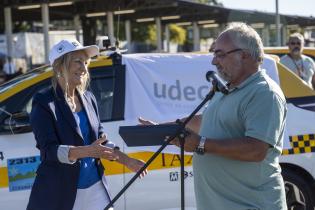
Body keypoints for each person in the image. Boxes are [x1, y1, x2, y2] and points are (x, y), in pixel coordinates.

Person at [140, 22, 287, 210]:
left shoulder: (264, 93)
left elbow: (256, 149)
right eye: (214, 54)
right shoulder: (225, 87)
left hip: (251, 205)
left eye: (220, 54)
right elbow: (206, 122)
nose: (214, 61)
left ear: (244, 54)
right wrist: (163, 128)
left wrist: (201, 145)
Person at [27, 39, 147, 210]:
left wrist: (126, 160)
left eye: (85, 63)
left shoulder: (89, 98)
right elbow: (49, 150)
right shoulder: (44, 102)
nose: (84, 69)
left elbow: (100, 140)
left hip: (95, 186)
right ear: (60, 66)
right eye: (77, 62)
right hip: (61, 191)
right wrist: (87, 151)